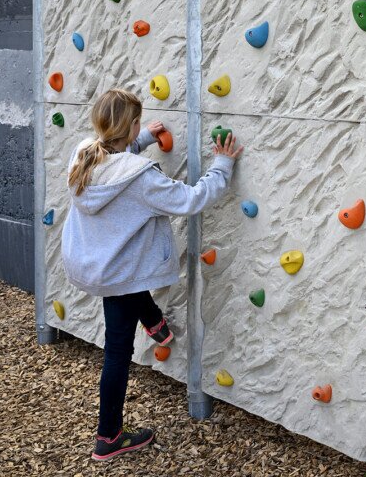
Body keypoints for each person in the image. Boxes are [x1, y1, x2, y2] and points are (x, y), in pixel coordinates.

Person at [61, 88, 242, 461]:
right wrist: (222, 164)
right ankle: (109, 437)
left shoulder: (83, 155)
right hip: (117, 272)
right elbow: (191, 199)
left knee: (132, 286)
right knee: (117, 350)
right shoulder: (141, 180)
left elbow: (115, 163)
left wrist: (141, 139)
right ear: (131, 126)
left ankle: (156, 324)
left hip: (94, 262)